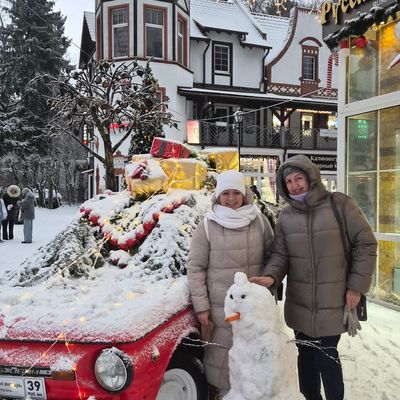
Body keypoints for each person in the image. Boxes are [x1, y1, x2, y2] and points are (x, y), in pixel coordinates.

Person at [250, 155, 377, 400]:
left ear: (311, 177)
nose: (295, 185)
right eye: (289, 181)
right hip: (300, 303)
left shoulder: (340, 205)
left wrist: (356, 286)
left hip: (333, 299)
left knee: (327, 356)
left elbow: (366, 243)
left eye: (298, 178)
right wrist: (271, 277)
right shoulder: (286, 217)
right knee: (306, 357)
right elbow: (280, 255)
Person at [187, 170, 274, 396]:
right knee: (223, 363)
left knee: (253, 365)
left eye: (236, 192)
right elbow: (196, 267)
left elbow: (272, 258)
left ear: (245, 194)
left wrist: (266, 289)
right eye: (226, 193)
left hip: (253, 309)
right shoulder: (207, 225)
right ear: (218, 196)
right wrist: (202, 307)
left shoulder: (259, 221)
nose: (232, 198)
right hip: (221, 310)